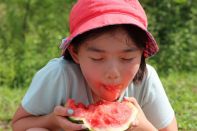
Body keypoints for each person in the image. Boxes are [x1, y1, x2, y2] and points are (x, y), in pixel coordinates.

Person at [12, 0, 178, 131]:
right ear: (75, 53)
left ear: (142, 53)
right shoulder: (59, 75)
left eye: (127, 58)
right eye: (97, 58)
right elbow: (19, 124)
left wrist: (143, 127)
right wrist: (53, 121)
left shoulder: (147, 79)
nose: (113, 73)